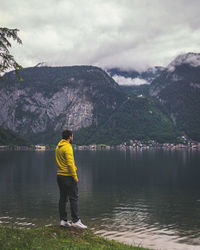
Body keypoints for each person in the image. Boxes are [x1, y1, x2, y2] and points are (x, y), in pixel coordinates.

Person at [55, 129, 87, 229]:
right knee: (74, 198)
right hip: (68, 176)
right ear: (69, 137)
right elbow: (70, 163)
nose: (72, 138)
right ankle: (76, 221)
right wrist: (75, 176)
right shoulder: (68, 147)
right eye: (72, 136)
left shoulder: (58, 147)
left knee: (63, 199)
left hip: (60, 176)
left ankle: (63, 220)